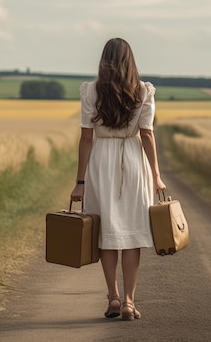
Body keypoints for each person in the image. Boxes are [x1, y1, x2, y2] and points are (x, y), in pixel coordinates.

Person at [70, 38, 166, 321]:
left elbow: (86, 138)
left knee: (106, 234)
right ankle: (128, 301)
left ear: (103, 60)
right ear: (130, 61)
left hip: (101, 163)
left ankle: (112, 296)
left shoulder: (90, 91)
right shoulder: (143, 91)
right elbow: (147, 134)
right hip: (134, 163)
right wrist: (157, 177)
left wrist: (80, 181)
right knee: (133, 235)